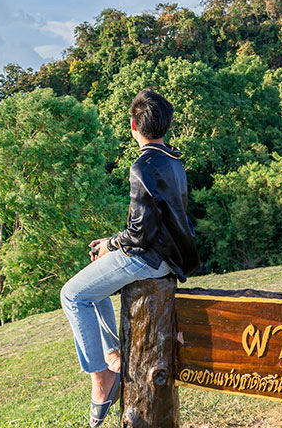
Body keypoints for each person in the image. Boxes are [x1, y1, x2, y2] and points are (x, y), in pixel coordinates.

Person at [60, 88, 201, 428]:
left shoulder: (142, 166)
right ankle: (113, 354)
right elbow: (154, 223)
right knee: (93, 284)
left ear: (134, 125)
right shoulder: (173, 161)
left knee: (73, 295)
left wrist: (111, 243)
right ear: (165, 125)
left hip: (149, 259)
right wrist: (110, 243)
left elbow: (139, 235)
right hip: (168, 257)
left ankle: (101, 378)